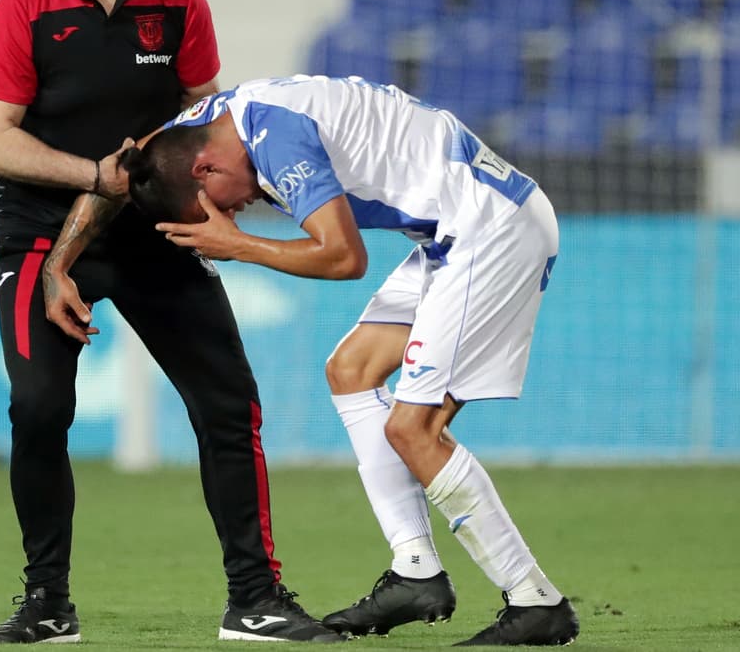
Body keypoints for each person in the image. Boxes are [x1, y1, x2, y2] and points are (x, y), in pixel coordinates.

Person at [0, 0, 342, 644]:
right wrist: (94, 176)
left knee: (229, 402)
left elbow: (210, 118)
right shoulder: (18, 5)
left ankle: (255, 596)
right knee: (37, 407)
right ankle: (46, 601)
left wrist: (219, 211)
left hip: (155, 229)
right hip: (38, 233)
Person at [108, 74, 581, 647]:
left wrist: (239, 246)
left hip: (490, 229)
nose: (239, 208)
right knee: (351, 371)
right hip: (456, 229)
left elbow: (343, 256)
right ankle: (416, 572)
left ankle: (535, 602)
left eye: (221, 205)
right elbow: (133, 157)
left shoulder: (275, 139)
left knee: (415, 429)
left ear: (205, 168)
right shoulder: (212, 120)